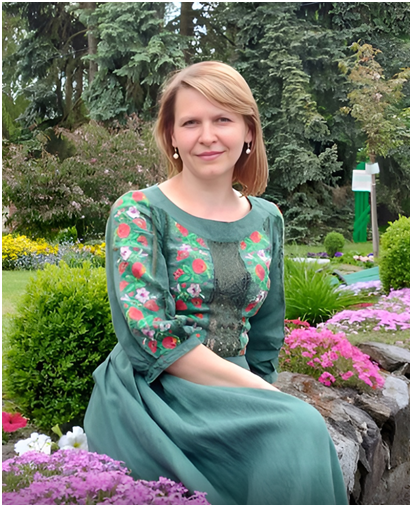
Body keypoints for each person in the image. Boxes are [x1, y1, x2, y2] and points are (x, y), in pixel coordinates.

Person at [84, 60, 348, 505]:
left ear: (248, 131)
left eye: (222, 119)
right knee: (301, 426)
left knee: (292, 435)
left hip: (235, 385)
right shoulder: (138, 212)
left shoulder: (268, 218)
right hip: (154, 395)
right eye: (191, 123)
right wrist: (267, 396)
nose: (207, 136)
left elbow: (266, 331)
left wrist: (261, 394)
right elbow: (152, 335)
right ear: (171, 136)